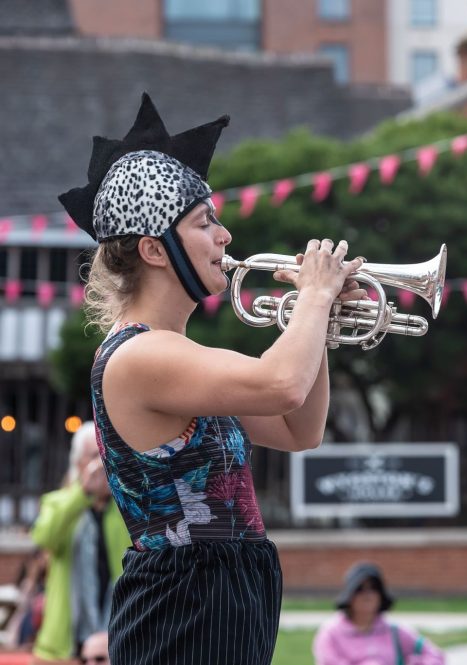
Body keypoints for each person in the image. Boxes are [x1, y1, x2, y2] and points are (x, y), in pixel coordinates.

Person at [58, 92, 367, 665]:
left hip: (222, 599)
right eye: (206, 223)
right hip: (184, 608)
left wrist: (319, 328)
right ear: (155, 249)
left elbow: (300, 428)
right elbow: (281, 384)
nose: (225, 237)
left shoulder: (182, 356)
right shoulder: (139, 356)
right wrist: (315, 298)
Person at [30, 422, 131, 663]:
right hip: (64, 645)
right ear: (78, 463)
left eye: (106, 454)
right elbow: (44, 537)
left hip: (114, 639)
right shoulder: (59, 502)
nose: (102, 463)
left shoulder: (124, 508)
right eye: (94, 455)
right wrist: (83, 493)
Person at [312, 562, 445, 665]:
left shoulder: (395, 631)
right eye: (360, 589)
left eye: (373, 589)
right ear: (349, 595)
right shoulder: (331, 633)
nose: (367, 595)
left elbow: (435, 655)